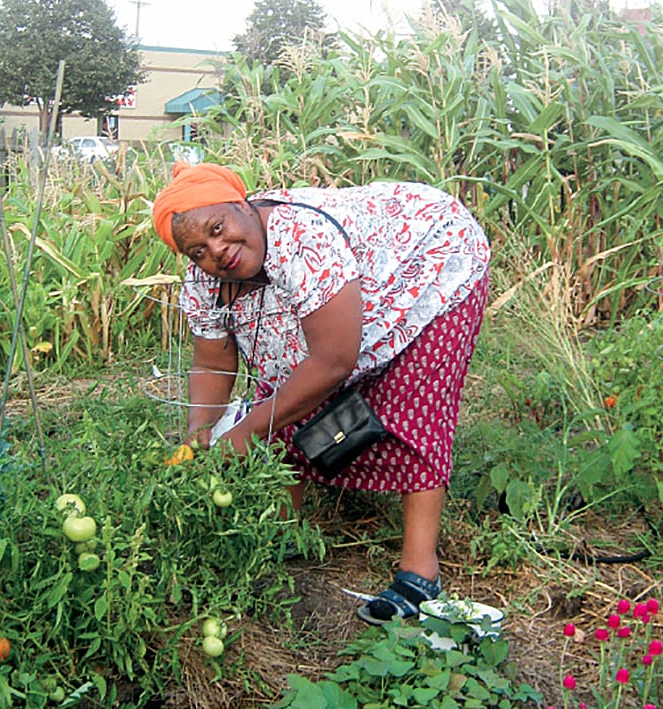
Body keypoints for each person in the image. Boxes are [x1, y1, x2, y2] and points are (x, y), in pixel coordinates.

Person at [152, 162, 490, 625]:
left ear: (242, 203)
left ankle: (420, 572)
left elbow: (332, 362)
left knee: (412, 408)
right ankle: (284, 532)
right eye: (199, 251)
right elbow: (211, 362)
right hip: (354, 297)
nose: (217, 250)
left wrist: (246, 430)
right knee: (284, 395)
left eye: (218, 228)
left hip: (430, 259)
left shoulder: (302, 241)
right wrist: (200, 432)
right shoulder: (206, 283)